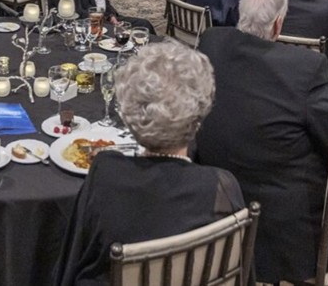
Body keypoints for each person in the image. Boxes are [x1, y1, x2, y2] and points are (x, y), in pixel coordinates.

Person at [193, 0, 328, 285]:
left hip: (215, 208)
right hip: (284, 240)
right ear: (279, 24)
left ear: (241, 13)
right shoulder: (305, 67)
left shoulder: (211, 41)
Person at [54, 42, 244, 286]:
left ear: (130, 115)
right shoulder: (222, 187)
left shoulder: (106, 173)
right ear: (200, 113)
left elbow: (73, 261)